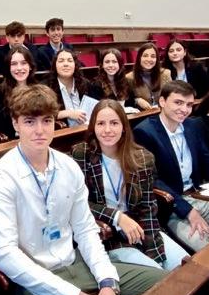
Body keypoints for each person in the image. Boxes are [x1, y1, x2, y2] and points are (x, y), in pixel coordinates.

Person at [0, 84, 165, 295]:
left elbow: (86, 229)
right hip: (36, 281)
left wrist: (107, 281)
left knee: (166, 285)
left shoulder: (68, 166)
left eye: (47, 121)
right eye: (30, 122)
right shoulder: (3, 175)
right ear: (16, 124)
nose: (40, 130)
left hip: (77, 264)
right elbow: (4, 253)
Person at [72, 100, 188, 271]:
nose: (107, 130)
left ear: (124, 127)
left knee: (185, 265)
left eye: (114, 123)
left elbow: (148, 208)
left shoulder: (143, 158)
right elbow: (78, 203)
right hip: (107, 233)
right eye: (101, 123)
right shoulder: (82, 154)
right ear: (93, 127)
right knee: (156, 275)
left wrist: (154, 251)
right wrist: (117, 217)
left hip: (139, 225)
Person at [133, 80, 209, 252]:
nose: (184, 109)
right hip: (172, 207)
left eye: (189, 104)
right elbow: (152, 180)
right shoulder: (145, 132)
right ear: (162, 101)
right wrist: (188, 211)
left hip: (198, 195)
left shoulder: (192, 126)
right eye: (178, 102)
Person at [0, 46, 37, 140]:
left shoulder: (39, 90)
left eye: (24, 63)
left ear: (30, 66)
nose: (19, 68)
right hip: (12, 141)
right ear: (8, 68)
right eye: (14, 64)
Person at [46, 49, 101, 127]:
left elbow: (98, 106)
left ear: (75, 65)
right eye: (61, 61)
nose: (66, 64)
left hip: (87, 129)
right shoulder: (46, 87)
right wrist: (67, 113)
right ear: (55, 65)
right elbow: (41, 114)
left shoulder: (86, 84)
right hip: (64, 132)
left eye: (70, 61)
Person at [126, 43, 171, 110]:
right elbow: (128, 102)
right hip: (143, 113)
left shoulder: (165, 74)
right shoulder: (129, 78)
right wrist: (137, 100)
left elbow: (171, 95)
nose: (149, 59)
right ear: (139, 58)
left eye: (153, 56)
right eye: (145, 56)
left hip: (163, 111)